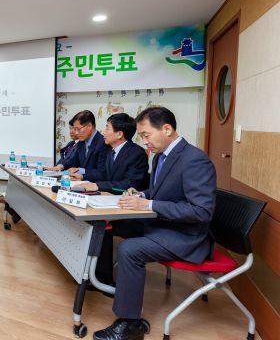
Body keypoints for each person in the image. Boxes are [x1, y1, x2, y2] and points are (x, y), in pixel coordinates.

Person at [93, 107, 216, 340]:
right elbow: (160, 193)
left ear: (167, 129)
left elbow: (201, 211)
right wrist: (141, 195)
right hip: (163, 224)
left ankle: (130, 325)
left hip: (185, 235)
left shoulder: (195, 160)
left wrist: (149, 204)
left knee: (129, 249)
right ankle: (101, 278)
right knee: (106, 225)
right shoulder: (160, 156)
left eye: (146, 135)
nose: (144, 141)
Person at [75, 113, 149, 288]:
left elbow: (130, 184)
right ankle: (86, 270)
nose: (103, 132)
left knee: (99, 224)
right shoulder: (110, 150)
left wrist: (98, 185)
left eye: (107, 128)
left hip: (131, 212)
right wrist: (83, 177)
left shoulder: (136, 153)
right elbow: (104, 174)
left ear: (119, 134)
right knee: (88, 217)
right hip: (111, 203)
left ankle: (103, 278)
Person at [61, 110, 107, 180]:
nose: (76, 133)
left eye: (78, 129)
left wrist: (81, 171)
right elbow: (73, 161)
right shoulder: (81, 142)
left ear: (89, 126)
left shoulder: (102, 143)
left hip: (95, 184)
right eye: (75, 129)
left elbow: (102, 173)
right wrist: (60, 166)